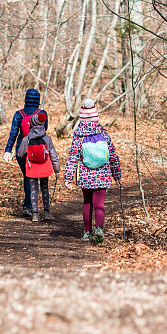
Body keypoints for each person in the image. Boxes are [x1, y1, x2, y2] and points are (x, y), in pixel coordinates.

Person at [64, 99, 121, 244]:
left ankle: (87, 233)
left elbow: (73, 157)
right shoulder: (104, 134)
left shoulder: (78, 136)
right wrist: (117, 175)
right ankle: (99, 228)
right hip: (102, 175)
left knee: (87, 203)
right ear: (96, 117)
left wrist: (68, 178)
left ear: (81, 118)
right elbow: (113, 155)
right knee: (99, 204)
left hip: (85, 176)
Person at [3, 88, 47, 216]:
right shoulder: (42, 113)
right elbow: (45, 130)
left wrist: (8, 150)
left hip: (21, 150)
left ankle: (28, 206)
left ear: (26, 99)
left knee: (27, 176)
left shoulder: (19, 114)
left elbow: (13, 134)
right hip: (37, 149)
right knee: (32, 177)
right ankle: (30, 206)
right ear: (38, 100)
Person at [23, 111, 60, 221]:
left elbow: (20, 153)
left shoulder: (27, 139)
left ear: (32, 125)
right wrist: (57, 169)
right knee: (45, 188)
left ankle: (35, 214)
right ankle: (47, 212)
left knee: (33, 189)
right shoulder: (47, 139)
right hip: (45, 167)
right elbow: (53, 155)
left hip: (31, 167)